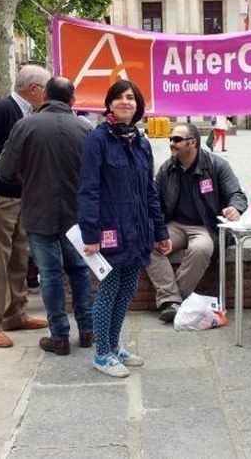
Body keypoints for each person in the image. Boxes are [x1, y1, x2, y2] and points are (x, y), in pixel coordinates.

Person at [78, 79, 171, 377]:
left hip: (137, 229)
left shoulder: (141, 142)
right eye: (118, 98)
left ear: (138, 104)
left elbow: (149, 191)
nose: (125, 102)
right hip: (109, 230)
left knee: (128, 287)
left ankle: (114, 346)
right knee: (109, 289)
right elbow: (88, 189)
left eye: (130, 98)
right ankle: (101, 353)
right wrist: (90, 233)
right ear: (109, 104)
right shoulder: (98, 140)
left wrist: (160, 231)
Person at [0, 77, 94, 356]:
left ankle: (60, 335)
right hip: (76, 215)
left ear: (46, 95)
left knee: (49, 275)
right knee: (78, 270)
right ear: (72, 101)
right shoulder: (85, 128)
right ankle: (87, 330)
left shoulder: (26, 125)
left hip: (39, 212)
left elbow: (4, 168)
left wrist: (25, 175)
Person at [0, 64, 51, 348]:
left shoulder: (30, 113)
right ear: (34, 89)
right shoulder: (1, 111)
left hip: (21, 199)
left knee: (19, 257)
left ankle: (15, 314)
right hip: (0, 199)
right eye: (47, 88)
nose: (49, 94)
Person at [146, 123, 247, 323]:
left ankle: (172, 301)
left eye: (176, 140)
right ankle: (172, 300)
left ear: (192, 143)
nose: (171, 144)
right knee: (148, 244)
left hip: (205, 226)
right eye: (171, 139)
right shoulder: (168, 168)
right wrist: (156, 231)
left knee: (201, 249)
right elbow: (154, 201)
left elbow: (237, 194)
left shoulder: (217, 165)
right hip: (175, 225)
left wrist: (234, 208)